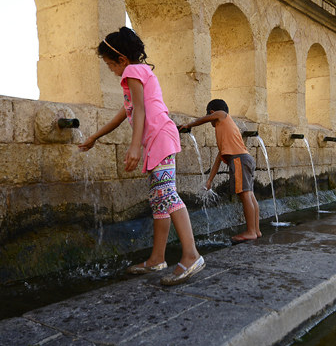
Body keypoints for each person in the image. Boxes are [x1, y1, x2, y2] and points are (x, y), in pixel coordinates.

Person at [78, 27, 205, 286]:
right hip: (159, 137)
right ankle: (157, 258)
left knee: (167, 194)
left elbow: (141, 113)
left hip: (158, 137)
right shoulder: (141, 71)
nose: (112, 71)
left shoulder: (132, 72)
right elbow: (126, 112)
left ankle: (191, 255)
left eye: (109, 64)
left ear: (121, 60)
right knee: (159, 198)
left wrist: (135, 147)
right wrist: (95, 136)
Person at [179, 99, 261, 242]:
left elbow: (204, 119)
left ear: (212, 112)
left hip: (240, 159)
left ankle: (251, 231)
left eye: (210, 115)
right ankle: (256, 230)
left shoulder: (222, 115)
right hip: (245, 159)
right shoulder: (225, 131)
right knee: (250, 195)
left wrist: (189, 124)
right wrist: (209, 181)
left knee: (245, 195)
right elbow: (218, 159)